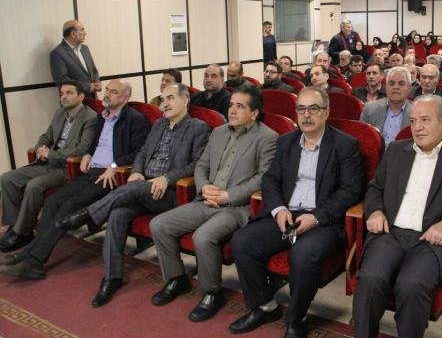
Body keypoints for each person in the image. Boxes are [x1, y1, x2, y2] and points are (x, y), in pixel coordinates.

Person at [55, 83, 210, 307]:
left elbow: (197, 164)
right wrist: (136, 171)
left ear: (185, 101)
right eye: (162, 99)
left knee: (135, 188)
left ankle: (88, 214)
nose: (164, 103)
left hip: (170, 192)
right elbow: (143, 152)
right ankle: (112, 277)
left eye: (170, 98)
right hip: (143, 188)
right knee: (117, 213)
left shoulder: (198, 127)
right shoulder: (158, 125)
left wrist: (167, 178)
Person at [229, 87, 364, 338]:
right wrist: (279, 209)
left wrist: (316, 217)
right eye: (301, 109)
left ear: (326, 112)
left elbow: (350, 191)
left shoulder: (345, 145)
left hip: (323, 220)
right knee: (242, 241)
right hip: (287, 214)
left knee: (302, 255)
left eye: (313, 109)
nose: (306, 115)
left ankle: (297, 317)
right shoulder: (286, 142)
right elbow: (270, 180)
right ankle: (264, 306)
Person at [352, 95, 442, 338]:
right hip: (391, 234)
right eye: (413, 121)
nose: (418, 127)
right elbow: (375, 188)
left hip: (431, 241)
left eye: (425, 120)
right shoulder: (396, 150)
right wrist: (376, 210)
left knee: (411, 285)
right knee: (370, 279)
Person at [149, 86, 278, 321]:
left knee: (203, 237)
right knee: (159, 225)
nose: (232, 110)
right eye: (231, 105)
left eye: (240, 106)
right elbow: (201, 165)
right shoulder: (218, 132)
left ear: (254, 113)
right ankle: (176, 278)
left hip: (236, 207)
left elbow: (264, 177)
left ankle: (211, 292)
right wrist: (204, 186)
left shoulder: (267, 137)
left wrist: (229, 196)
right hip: (206, 199)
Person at [0, 80, 148, 278]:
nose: (107, 94)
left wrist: (114, 166)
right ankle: (29, 253)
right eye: (107, 90)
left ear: (125, 98)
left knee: (69, 206)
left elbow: (139, 152)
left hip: (109, 177)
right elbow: (94, 145)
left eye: (113, 92)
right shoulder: (102, 117)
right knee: (52, 202)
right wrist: (87, 155)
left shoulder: (135, 119)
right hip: (91, 171)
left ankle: (34, 260)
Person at [0, 80, 97, 252]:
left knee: (34, 185)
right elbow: (46, 136)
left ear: (81, 96)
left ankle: (21, 231)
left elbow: (82, 149)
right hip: (47, 162)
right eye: (62, 94)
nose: (64, 97)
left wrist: (50, 154)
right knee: (7, 178)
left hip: (66, 168)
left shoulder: (90, 117)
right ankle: (16, 227)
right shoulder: (59, 113)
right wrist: (40, 149)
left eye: (69, 93)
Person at [360, 68, 413, 147]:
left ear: (409, 88)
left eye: (401, 83)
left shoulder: (418, 113)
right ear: (386, 87)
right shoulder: (369, 109)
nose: (395, 87)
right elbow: (362, 140)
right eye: (391, 83)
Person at [50, 20, 101, 98]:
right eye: (82, 30)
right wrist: (87, 87)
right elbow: (62, 80)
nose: (85, 33)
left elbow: (93, 70)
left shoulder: (85, 49)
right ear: (73, 33)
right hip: (74, 100)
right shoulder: (57, 53)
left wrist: (97, 82)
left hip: (93, 98)